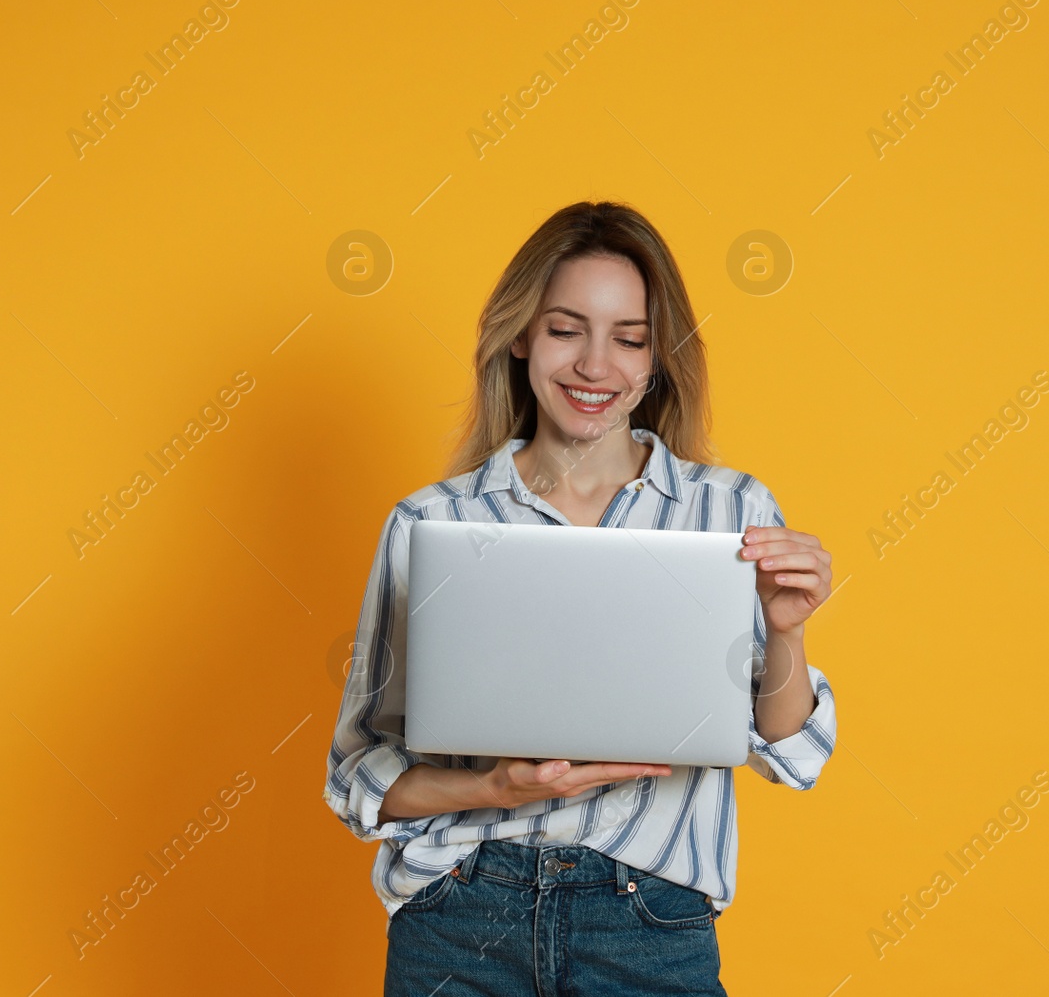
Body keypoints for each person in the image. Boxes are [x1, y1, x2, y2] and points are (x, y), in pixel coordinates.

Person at [322, 200, 837, 995]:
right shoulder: (432, 521)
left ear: (658, 356)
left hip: (648, 920)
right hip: (459, 911)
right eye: (567, 329)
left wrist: (786, 631)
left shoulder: (729, 511)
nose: (596, 367)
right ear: (520, 333)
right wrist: (493, 787)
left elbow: (788, 752)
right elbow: (359, 768)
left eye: (629, 338)